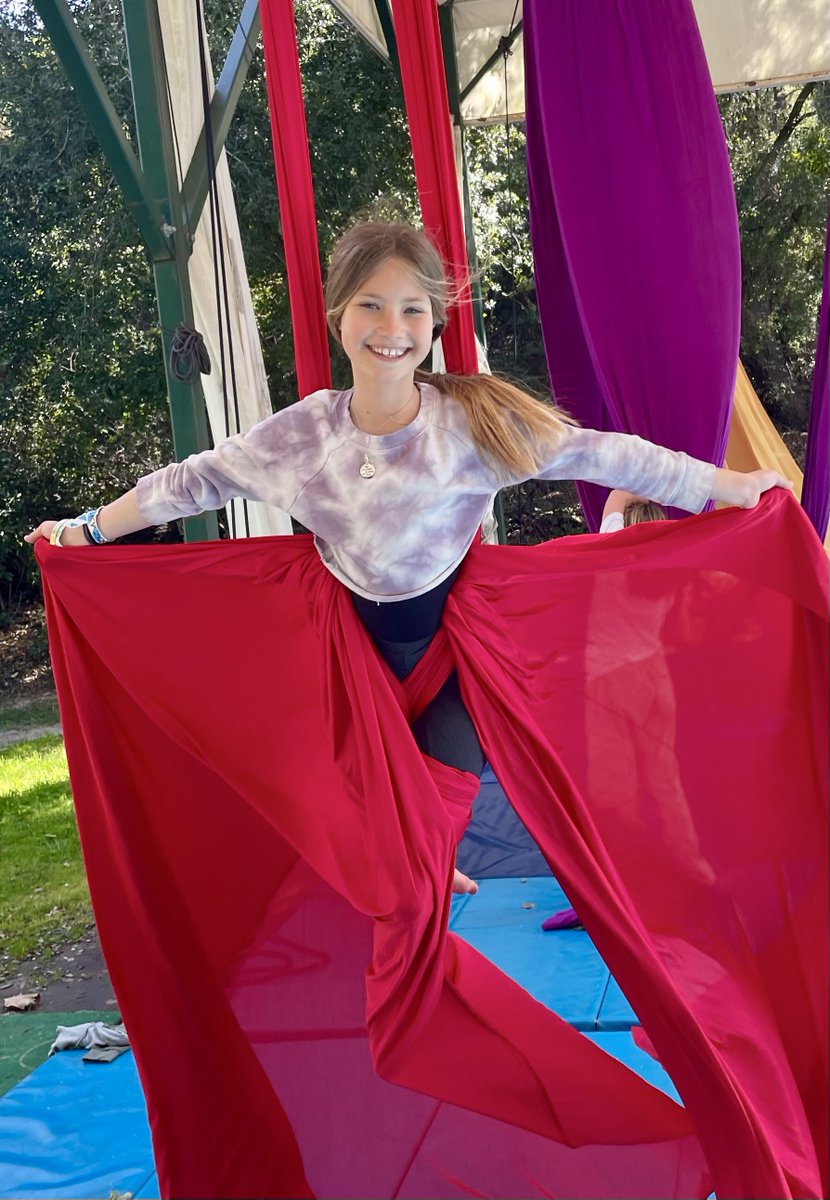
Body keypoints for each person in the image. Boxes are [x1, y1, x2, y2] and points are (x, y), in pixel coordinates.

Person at [26, 221, 791, 899]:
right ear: (339, 317)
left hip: (456, 652)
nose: (391, 327)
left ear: (434, 323)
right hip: (348, 656)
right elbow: (193, 481)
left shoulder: (470, 423)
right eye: (371, 305)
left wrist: (725, 486)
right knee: (348, 836)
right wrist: (90, 530)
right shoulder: (303, 438)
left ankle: (426, 893)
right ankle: (414, 883)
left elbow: (605, 452)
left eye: (412, 309)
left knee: (435, 817)